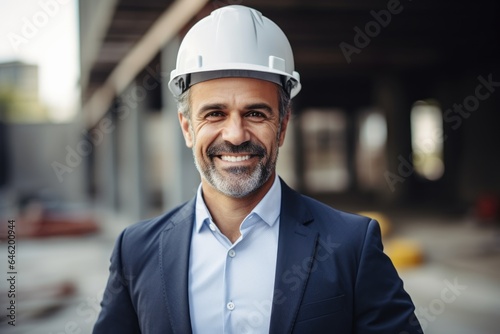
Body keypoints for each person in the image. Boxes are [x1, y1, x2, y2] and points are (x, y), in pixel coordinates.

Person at [93, 5, 422, 334]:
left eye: (255, 114)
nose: (235, 135)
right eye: (214, 114)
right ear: (187, 127)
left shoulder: (351, 245)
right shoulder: (135, 252)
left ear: (282, 126)